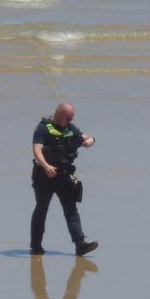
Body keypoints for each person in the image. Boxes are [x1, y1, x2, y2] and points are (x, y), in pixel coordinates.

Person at [30, 102, 98, 257]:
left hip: (64, 176)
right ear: (59, 115)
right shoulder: (42, 128)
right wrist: (46, 166)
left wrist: (91, 139)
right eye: (68, 118)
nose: (70, 121)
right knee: (41, 210)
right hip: (44, 177)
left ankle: (80, 244)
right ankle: (36, 246)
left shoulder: (70, 129)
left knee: (71, 209)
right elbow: (36, 149)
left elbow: (84, 137)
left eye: (71, 119)